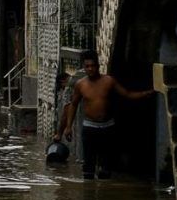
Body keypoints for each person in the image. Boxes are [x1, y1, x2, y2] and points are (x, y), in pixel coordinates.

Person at [60, 50, 154, 179]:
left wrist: (145, 94)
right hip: (89, 128)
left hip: (107, 127)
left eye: (93, 66)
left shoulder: (108, 81)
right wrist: (68, 126)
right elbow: (73, 105)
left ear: (98, 66)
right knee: (88, 169)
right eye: (87, 66)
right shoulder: (80, 84)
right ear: (84, 67)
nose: (90, 69)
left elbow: (126, 94)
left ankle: (104, 192)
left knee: (106, 169)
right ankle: (89, 196)